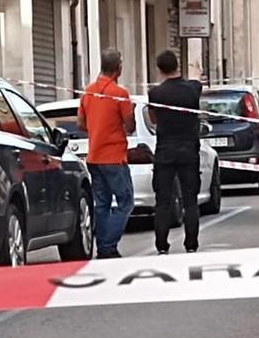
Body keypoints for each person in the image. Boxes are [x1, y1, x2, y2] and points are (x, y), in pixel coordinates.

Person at [77, 48, 135, 259]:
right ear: (118, 68)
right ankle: (108, 245)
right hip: (114, 157)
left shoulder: (88, 92)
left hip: (94, 156)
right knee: (125, 202)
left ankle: (102, 247)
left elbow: (80, 124)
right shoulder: (120, 94)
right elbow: (130, 126)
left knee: (101, 203)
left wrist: (97, 129)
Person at [148, 50, 203, 255]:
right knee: (190, 200)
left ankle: (162, 245)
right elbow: (197, 79)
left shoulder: (155, 94)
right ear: (177, 66)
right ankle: (191, 244)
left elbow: (153, 120)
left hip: (165, 151)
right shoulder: (192, 89)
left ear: (159, 70)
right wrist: (196, 70)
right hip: (189, 150)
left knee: (162, 200)